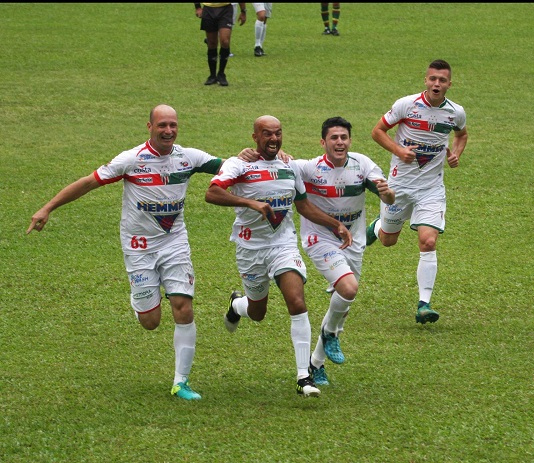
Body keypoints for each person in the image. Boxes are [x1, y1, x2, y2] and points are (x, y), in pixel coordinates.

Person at [27, 104, 230, 401]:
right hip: (139, 247)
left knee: (183, 306)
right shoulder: (132, 160)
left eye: (173, 125)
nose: (168, 131)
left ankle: (181, 383)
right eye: (162, 125)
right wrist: (47, 208)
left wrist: (263, 158)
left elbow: (233, 167)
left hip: (174, 243)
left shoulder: (189, 158)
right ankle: (140, 300)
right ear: (149, 127)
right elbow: (88, 182)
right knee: (151, 322)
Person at [205, 115, 353, 398]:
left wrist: (336, 225)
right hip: (250, 249)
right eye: (267, 134)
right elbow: (211, 193)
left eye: (278, 133)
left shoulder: (288, 166)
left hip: (283, 246)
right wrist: (249, 202)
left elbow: (304, 206)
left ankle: (303, 376)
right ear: (255, 137)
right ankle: (237, 306)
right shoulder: (240, 165)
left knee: (296, 301)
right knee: (257, 313)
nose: (273, 139)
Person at [367, 59, 468, 325]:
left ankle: (424, 304)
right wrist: (398, 150)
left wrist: (455, 155)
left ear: (449, 84)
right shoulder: (407, 105)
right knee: (389, 240)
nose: (437, 84)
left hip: (431, 188)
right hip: (399, 186)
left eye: (442, 80)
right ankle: (377, 228)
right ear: (425, 80)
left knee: (429, 241)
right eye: (433, 79)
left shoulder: (455, 112)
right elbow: (377, 131)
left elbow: (462, 135)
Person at [295, 117, 394, 386]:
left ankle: (315, 364)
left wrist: (387, 195)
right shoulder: (309, 169)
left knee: (343, 304)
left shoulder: (361, 164)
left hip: (354, 240)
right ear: (323, 142)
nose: (340, 142)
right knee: (348, 289)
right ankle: (330, 334)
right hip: (320, 237)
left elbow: (386, 196)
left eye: (344, 137)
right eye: (334, 138)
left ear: (350, 140)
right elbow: (276, 164)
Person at [195, 2, 247, 86]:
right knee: (211, 43)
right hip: (208, 9)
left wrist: (243, 11)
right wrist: (198, 7)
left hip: (226, 9)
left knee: (225, 41)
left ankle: (221, 74)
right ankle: (212, 76)